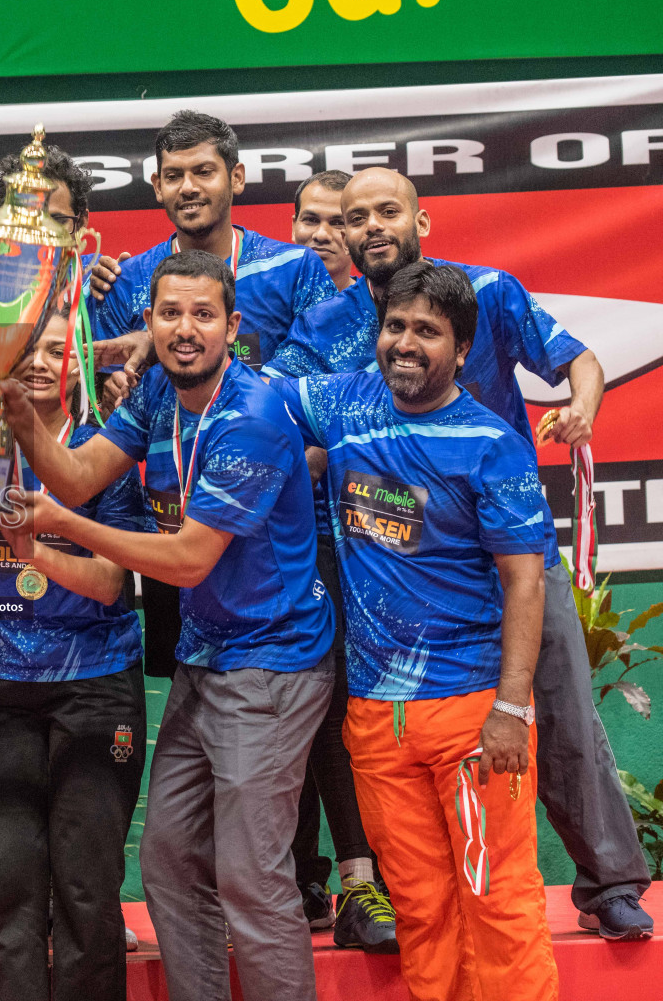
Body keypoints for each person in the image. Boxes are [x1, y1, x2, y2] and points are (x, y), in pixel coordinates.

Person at [265, 167, 653, 939]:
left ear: (422, 218)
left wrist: (580, 406)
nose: (370, 225)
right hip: (394, 575)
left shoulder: (489, 291)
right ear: (339, 234)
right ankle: (406, 903)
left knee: (564, 711)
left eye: (387, 210)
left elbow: (578, 361)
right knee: (381, 746)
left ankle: (610, 883)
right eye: (354, 217)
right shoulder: (324, 324)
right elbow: (271, 408)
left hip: (509, 559)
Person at [1, 250, 335, 1001]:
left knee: (250, 878)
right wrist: (23, 421)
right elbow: (79, 475)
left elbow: (184, 561)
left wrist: (63, 528)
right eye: (171, 314)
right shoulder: (156, 392)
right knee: (170, 862)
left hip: (273, 667)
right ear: (148, 323)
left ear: (232, 326)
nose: (186, 330)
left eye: (204, 315)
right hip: (205, 658)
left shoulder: (252, 416)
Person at [271, 260, 560, 1000]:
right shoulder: (343, 403)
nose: (404, 342)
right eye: (395, 326)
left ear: (462, 349)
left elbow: (525, 580)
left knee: (494, 900)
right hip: (375, 720)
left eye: (426, 331)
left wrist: (511, 707)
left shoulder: (490, 443)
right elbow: (250, 396)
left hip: (470, 715)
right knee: (422, 910)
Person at [0, 308, 146, 1000]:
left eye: (57, 350)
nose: (39, 361)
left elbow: (109, 581)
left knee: (88, 886)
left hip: (97, 688)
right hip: (1, 693)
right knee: (8, 878)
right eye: (26, 348)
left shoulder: (107, 450)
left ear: (81, 364)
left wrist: (37, 551)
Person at [281, 173, 392, 946]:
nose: (326, 233)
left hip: (406, 552)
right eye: (312, 220)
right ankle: (339, 883)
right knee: (321, 703)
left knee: (374, 709)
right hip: (311, 545)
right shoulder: (311, 323)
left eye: (340, 222)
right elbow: (264, 406)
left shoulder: (414, 308)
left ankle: (385, 879)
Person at [90, 110, 336, 376]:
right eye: (173, 176)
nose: (187, 187)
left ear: (236, 178)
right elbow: (103, 395)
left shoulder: (294, 269)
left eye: (203, 172)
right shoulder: (125, 282)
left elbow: (322, 371)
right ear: (158, 186)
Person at [291, 170, 353, 292]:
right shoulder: (262, 303)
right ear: (294, 227)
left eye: (338, 223)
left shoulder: (380, 306)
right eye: (311, 220)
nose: (321, 235)